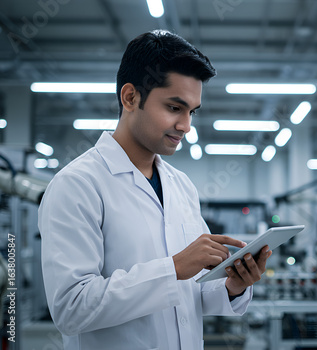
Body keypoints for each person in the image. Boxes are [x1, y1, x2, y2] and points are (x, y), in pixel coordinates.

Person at [38, 30, 272, 350]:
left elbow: (190, 293)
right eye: (175, 108)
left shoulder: (181, 186)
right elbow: (71, 308)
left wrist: (233, 285)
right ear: (131, 97)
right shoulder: (77, 185)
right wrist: (173, 268)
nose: (186, 125)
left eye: (192, 111)